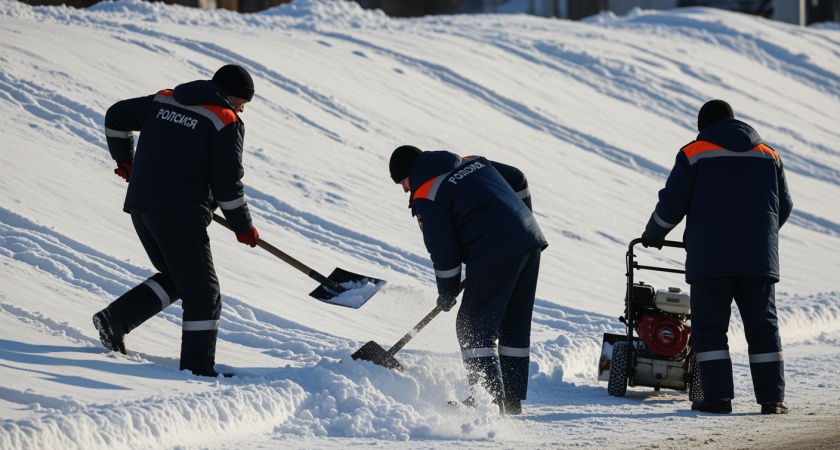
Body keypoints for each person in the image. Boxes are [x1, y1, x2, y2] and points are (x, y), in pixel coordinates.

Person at [92, 65, 260, 378]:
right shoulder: (225, 120)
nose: (242, 108)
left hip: (142, 205)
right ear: (233, 94)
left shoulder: (165, 100)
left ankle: (116, 319)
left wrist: (124, 160)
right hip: (179, 214)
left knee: (178, 276)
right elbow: (227, 185)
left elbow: (116, 116)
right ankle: (197, 371)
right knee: (204, 295)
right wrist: (243, 226)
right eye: (243, 102)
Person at [641, 100, 793, 414]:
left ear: (703, 127)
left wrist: (654, 234)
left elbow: (672, 204)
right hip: (759, 261)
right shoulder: (769, 155)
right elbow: (785, 206)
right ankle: (772, 401)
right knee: (763, 328)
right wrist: (758, 236)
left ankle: (718, 398)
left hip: (711, 260)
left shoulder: (695, 152)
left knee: (710, 329)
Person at [388, 145, 548, 415]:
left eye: (403, 182)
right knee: (513, 322)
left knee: (472, 327)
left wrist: (448, 290)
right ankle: (510, 401)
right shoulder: (472, 162)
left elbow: (444, 250)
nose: (405, 189)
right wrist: (521, 218)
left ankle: (488, 402)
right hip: (529, 241)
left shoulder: (426, 192)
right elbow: (518, 178)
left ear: (410, 174)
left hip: (493, 251)